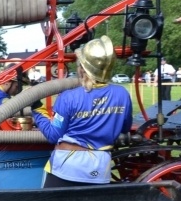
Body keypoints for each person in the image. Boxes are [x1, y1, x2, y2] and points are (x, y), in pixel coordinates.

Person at [32, 36, 132, 188]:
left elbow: (53, 135)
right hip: (99, 171)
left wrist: (37, 109)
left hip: (66, 168)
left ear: (82, 68)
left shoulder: (68, 97)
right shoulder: (122, 94)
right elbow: (125, 128)